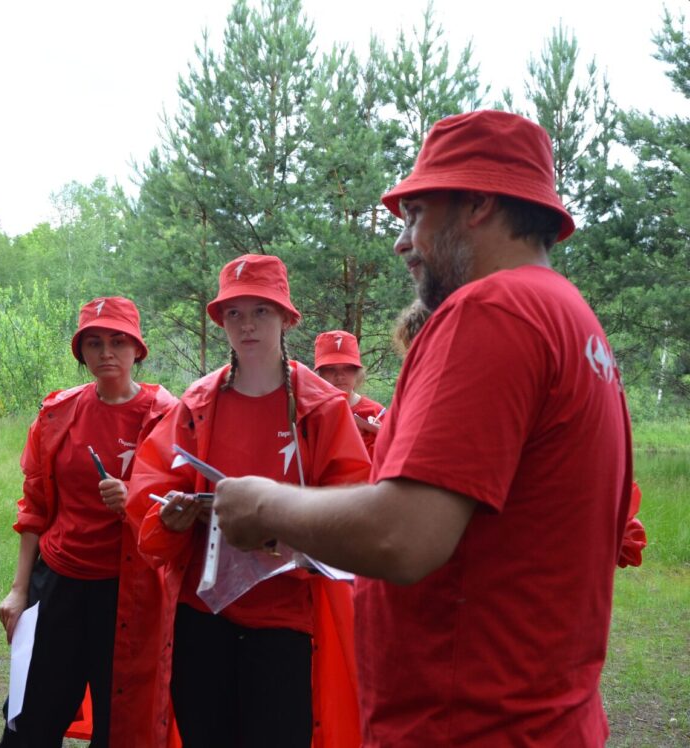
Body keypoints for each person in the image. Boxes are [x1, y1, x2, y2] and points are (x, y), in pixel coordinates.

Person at [211, 111, 633, 745]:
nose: (402, 242)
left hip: (469, 724)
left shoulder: (492, 309)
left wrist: (266, 504)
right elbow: (487, 530)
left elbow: (404, 538)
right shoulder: (574, 320)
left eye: (415, 215)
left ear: (480, 203)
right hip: (544, 718)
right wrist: (315, 536)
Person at [128, 255, 371, 748]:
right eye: (234, 313)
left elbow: (352, 511)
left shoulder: (320, 408)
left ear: (286, 318)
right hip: (204, 616)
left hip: (284, 622)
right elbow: (149, 493)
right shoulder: (197, 404)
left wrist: (285, 527)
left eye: (261, 310)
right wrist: (172, 517)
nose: (247, 325)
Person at [0, 296, 178, 748]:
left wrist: (135, 501)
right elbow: (35, 506)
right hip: (58, 581)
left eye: (118, 341)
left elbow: (182, 507)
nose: (106, 353)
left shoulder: (167, 416)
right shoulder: (58, 413)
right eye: (93, 343)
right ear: (81, 354)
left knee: (122, 722)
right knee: (31, 712)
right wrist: (20, 590)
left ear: (139, 348)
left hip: (130, 591)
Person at [313, 330, 385, 458]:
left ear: (358, 372)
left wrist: (386, 437)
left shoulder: (376, 413)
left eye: (347, 368)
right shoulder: (310, 414)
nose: (340, 376)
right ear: (319, 374)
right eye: (330, 369)